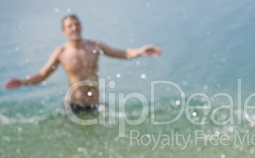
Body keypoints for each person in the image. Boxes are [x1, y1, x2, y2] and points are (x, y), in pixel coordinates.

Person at [3, 14, 162, 114]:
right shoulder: (61, 52)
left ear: (81, 26)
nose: (74, 28)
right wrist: (24, 82)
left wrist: (140, 51)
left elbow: (123, 53)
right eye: (69, 26)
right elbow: (43, 74)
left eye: (76, 24)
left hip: (97, 103)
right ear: (63, 31)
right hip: (74, 105)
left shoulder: (95, 46)